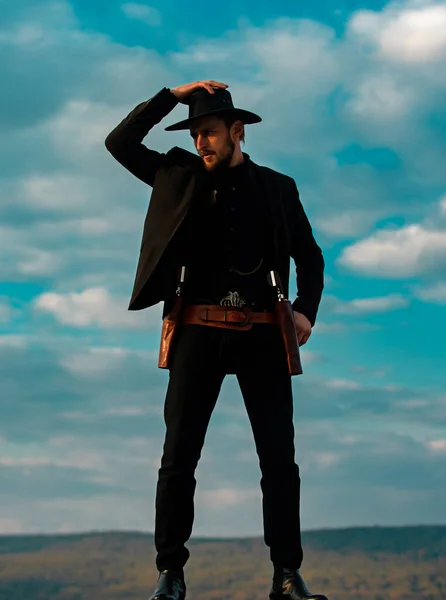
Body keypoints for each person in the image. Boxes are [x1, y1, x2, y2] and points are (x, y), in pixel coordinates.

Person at [105, 80, 327, 600]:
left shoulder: (277, 187)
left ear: (237, 130)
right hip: (195, 332)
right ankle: (171, 573)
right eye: (195, 132)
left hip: (264, 335)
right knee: (179, 456)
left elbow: (310, 258)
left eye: (209, 132)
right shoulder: (174, 173)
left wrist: (304, 312)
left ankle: (287, 576)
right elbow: (119, 143)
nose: (201, 141)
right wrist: (173, 96)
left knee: (278, 459)